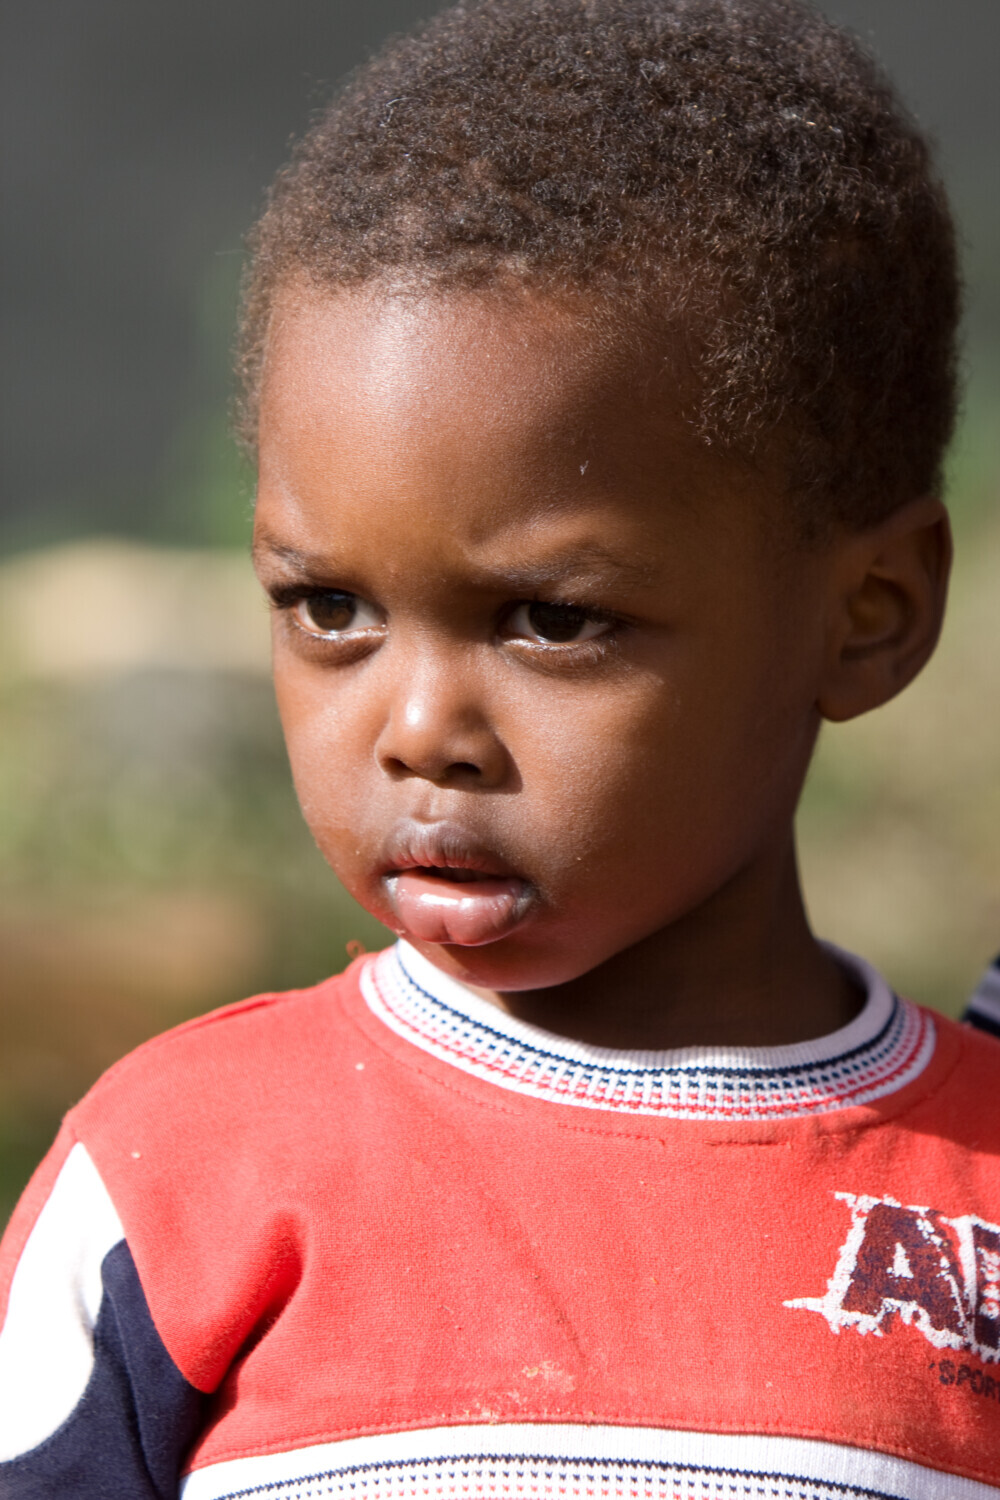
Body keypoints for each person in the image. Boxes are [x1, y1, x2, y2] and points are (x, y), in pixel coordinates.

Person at [1, 0, 997, 1495]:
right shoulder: (174, 1180)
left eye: (548, 620)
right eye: (328, 608)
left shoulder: (973, 1199)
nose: (416, 733)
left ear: (870, 614)